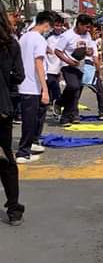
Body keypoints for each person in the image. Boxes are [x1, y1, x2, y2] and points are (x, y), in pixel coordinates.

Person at [16, 11, 53, 164]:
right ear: (46, 24)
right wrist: (45, 89)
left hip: (24, 84)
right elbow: (39, 64)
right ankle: (23, 152)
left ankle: (30, 143)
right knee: (30, 120)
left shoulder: (24, 36)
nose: (49, 30)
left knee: (37, 115)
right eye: (50, 26)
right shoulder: (39, 39)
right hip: (33, 86)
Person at [0, 5, 25, 224]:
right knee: (6, 157)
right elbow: (19, 76)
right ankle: (14, 208)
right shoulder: (10, 44)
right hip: (2, 107)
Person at [54, 14, 97, 126]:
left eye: (89, 27)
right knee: (73, 87)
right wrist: (68, 61)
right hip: (67, 66)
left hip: (80, 66)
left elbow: (90, 49)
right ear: (79, 24)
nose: (88, 30)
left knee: (75, 93)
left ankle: (65, 117)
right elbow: (58, 51)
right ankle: (60, 102)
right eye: (86, 27)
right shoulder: (67, 35)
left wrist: (89, 52)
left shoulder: (87, 35)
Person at [46, 14, 64, 106]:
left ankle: (56, 107)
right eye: (57, 25)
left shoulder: (64, 38)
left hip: (59, 68)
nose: (59, 28)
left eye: (60, 25)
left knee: (56, 90)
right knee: (52, 88)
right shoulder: (48, 38)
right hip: (49, 68)